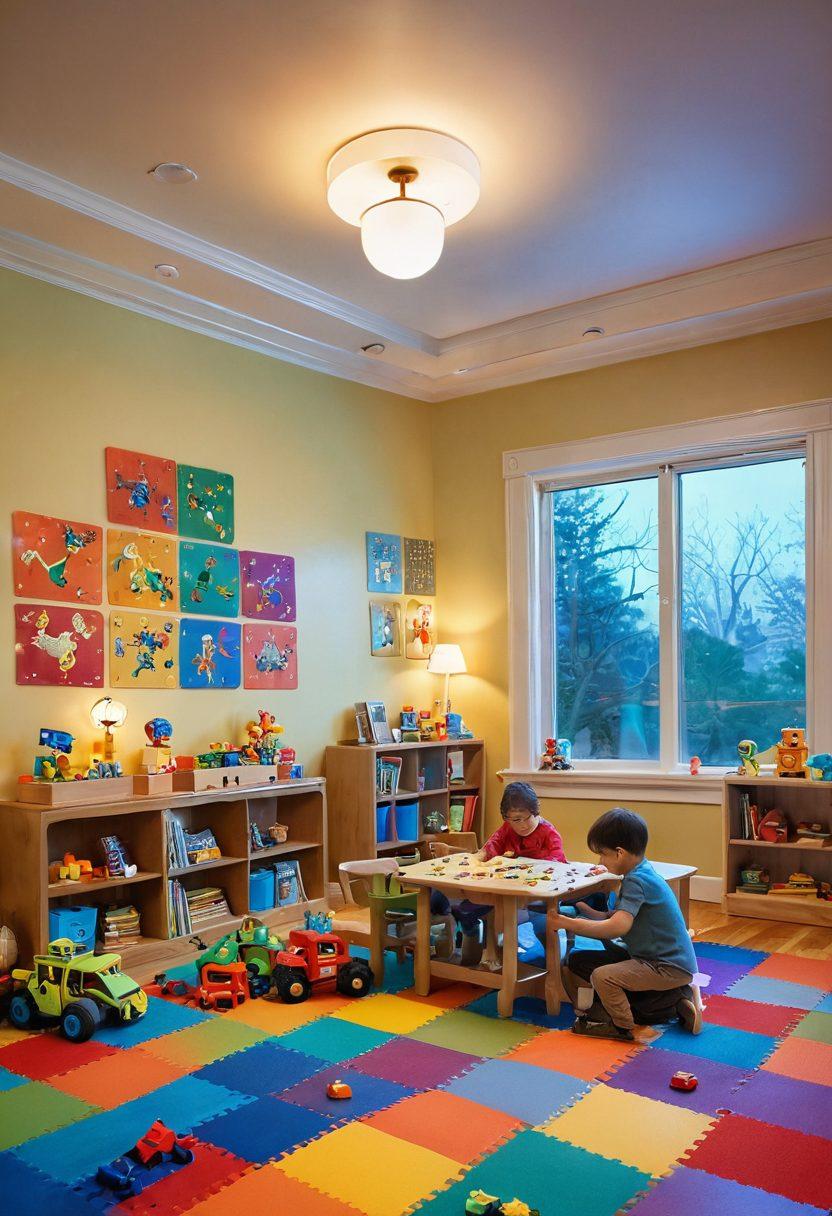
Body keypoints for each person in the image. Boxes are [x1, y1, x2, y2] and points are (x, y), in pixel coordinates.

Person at [554, 807, 701, 1042]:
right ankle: (674, 998)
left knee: (603, 977)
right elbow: (618, 917)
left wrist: (569, 923)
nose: (600, 861)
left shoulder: (636, 881)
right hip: (655, 959)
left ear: (619, 853)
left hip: (664, 967)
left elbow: (618, 928)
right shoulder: (641, 872)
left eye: (602, 854)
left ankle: (623, 1026)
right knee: (580, 960)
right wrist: (589, 913)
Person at [431, 781, 565, 965]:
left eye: (528, 817)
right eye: (515, 820)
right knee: (476, 905)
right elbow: (489, 848)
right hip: (507, 891)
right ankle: (493, 953)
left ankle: (554, 962)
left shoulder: (548, 833)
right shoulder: (507, 829)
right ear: (507, 819)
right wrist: (472, 860)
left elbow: (558, 864)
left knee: (542, 925)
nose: (523, 825)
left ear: (536, 811)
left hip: (539, 895)